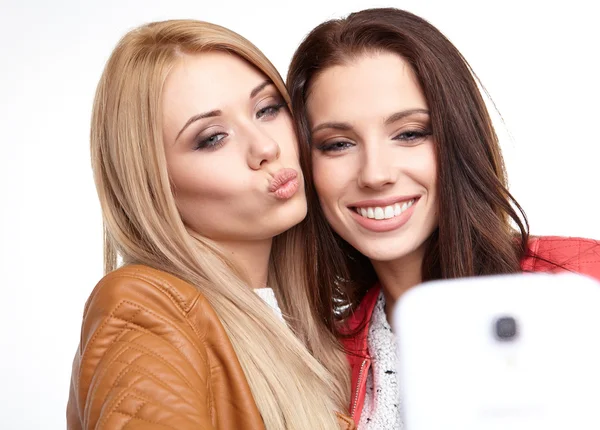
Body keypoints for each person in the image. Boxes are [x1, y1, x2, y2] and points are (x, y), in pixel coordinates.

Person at [286, 7, 600, 428]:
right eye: (338, 144)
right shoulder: (318, 358)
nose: (375, 174)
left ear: (458, 140)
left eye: (410, 134)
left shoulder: (581, 283)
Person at [66, 19, 354, 430]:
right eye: (213, 137)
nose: (266, 147)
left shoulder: (304, 325)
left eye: (267, 109)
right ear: (153, 184)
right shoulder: (139, 308)